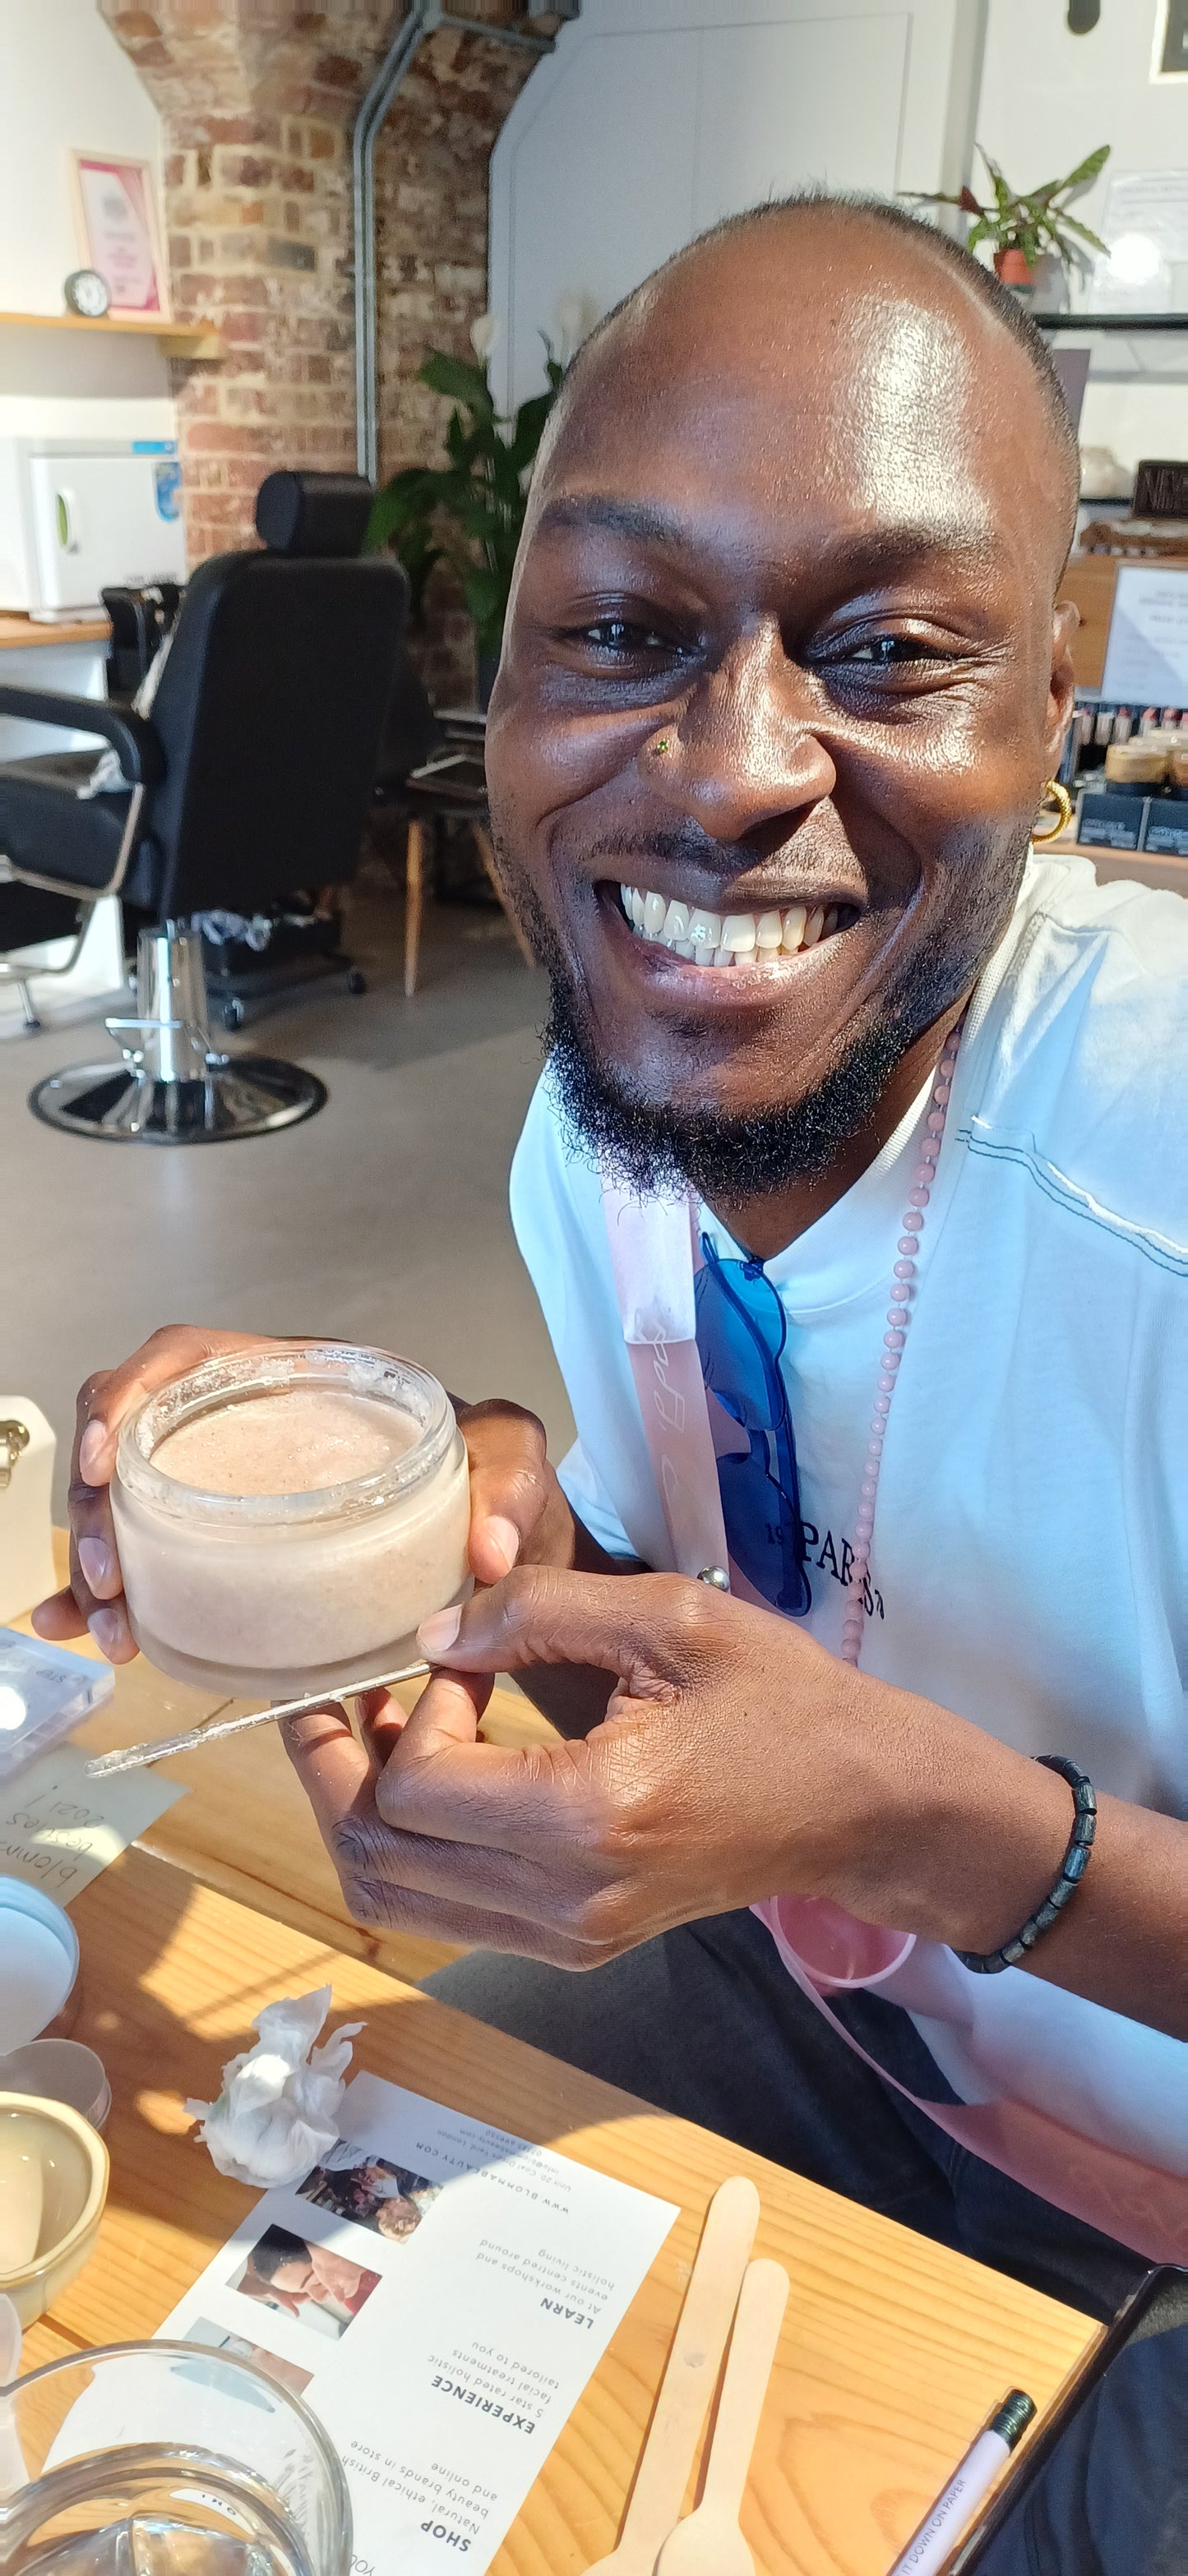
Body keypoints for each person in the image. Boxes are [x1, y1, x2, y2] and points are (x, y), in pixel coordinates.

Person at [37, 193, 1184, 2424]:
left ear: (1054, 699)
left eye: (886, 651)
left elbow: (863, 1787)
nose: (733, 769)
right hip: (830, 2022)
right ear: (505, 686)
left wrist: (910, 1827)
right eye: (626, 628)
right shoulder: (605, 1131)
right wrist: (507, 1539)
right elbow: (745, 1618)